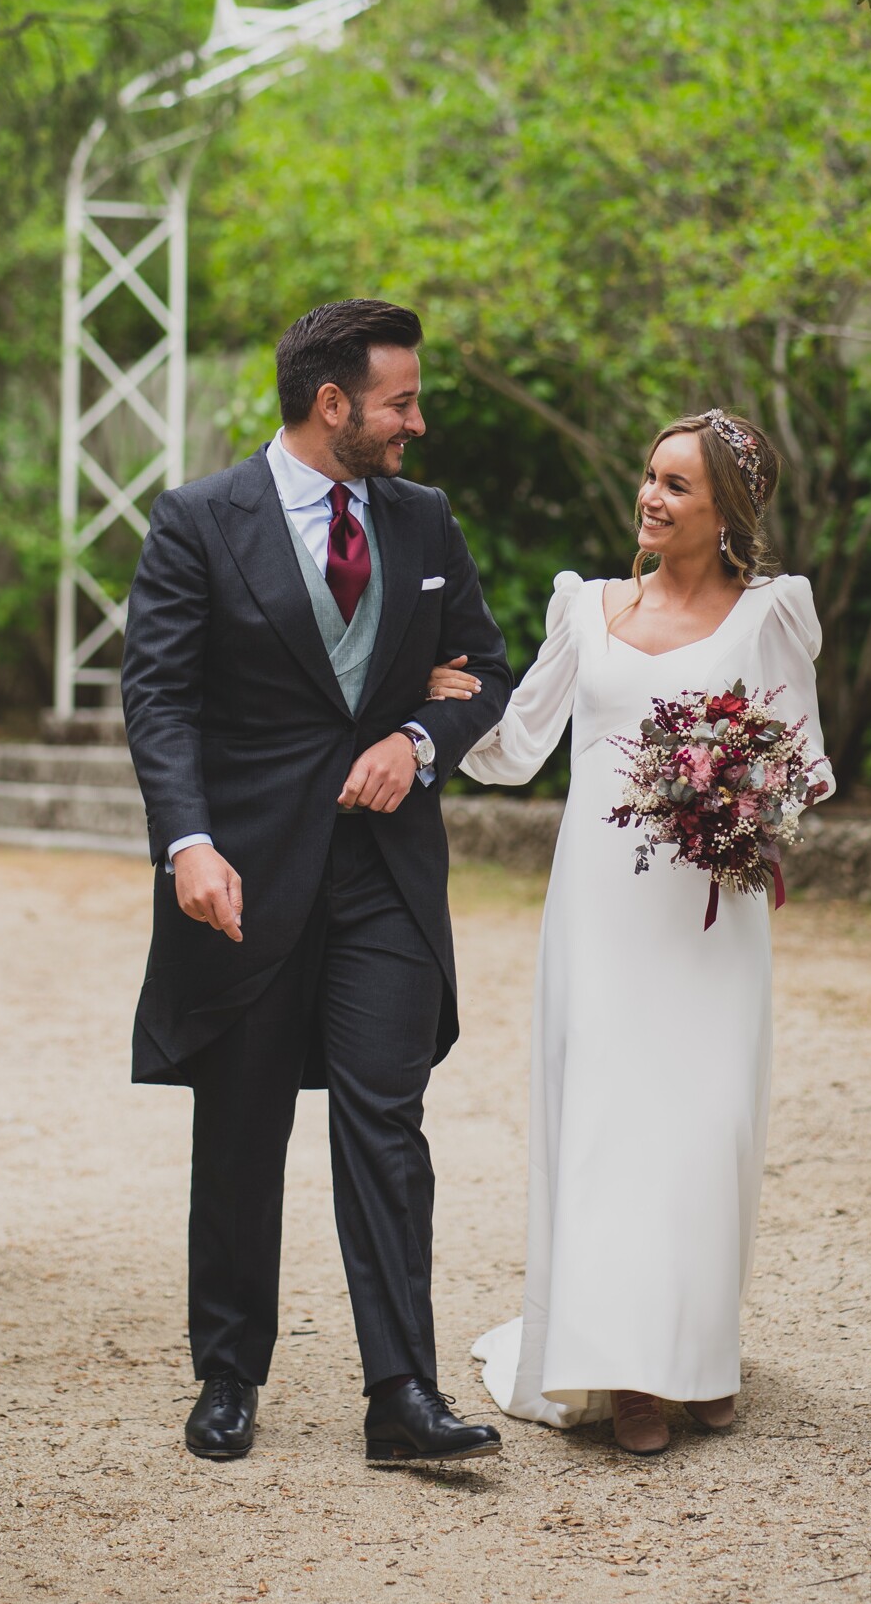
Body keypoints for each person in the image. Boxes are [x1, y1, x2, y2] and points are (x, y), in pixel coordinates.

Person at [121, 299, 513, 1466]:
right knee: (239, 1127)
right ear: (332, 402)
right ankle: (228, 1373)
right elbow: (160, 697)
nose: (418, 421)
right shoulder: (198, 518)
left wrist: (418, 739)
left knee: (386, 1119)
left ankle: (402, 1391)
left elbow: (483, 670)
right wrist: (187, 841)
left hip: (385, 877)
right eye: (400, 399)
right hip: (242, 870)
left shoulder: (424, 520)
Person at [430, 410, 834, 1455]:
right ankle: (623, 1374)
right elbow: (518, 749)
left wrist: (738, 791)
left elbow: (805, 767)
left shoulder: (771, 616)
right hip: (600, 908)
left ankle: (697, 1354)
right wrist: (439, 701)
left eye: (676, 485)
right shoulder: (588, 608)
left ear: (726, 511)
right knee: (608, 1127)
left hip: (712, 915)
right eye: (647, 476)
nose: (650, 496)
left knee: (705, 1130)